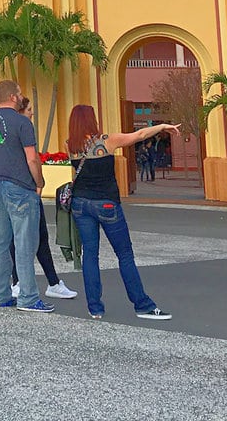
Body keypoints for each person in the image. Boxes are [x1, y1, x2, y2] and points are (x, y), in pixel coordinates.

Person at [66, 104, 176, 321]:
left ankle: (95, 308)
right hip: (106, 203)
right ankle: (142, 305)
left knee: (90, 254)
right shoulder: (107, 141)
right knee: (124, 255)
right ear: (92, 120)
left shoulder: (71, 145)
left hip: (80, 204)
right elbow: (140, 134)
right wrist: (162, 125)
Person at [0, 79, 53, 314]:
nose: (21, 97)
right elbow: (31, 158)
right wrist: (39, 182)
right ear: (12, 97)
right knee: (24, 242)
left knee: (0, 242)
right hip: (20, 186)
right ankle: (29, 298)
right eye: (19, 93)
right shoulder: (22, 122)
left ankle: (1, 294)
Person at [6, 95, 77, 301]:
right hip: (25, 191)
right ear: (21, 111)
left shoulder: (15, 131)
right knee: (23, 237)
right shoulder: (22, 130)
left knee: (36, 238)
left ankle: (48, 282)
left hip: (23, 191)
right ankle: (21, 281)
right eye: (30, 111)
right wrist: (39, 183)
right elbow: (32, 160)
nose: (32, 115)